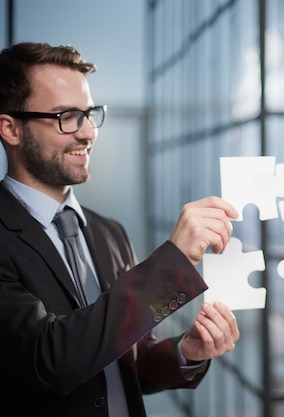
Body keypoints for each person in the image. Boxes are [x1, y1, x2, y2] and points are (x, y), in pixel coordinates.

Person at [0, 42, 240, 417]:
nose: (87, 133)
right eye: (66, 116)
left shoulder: (110, 233)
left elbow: (127, 359)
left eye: (90, 113)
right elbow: (52, 359)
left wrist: (187, 351)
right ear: (11, 129)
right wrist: (172, 262)